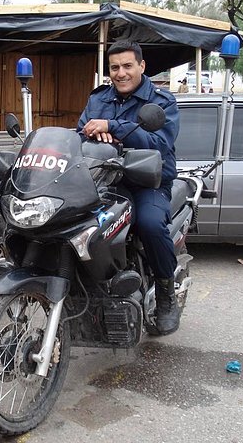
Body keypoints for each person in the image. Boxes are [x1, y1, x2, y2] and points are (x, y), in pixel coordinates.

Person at [76, 40, 180, 335]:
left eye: (127, 66)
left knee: (149, 224)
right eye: (114, 68)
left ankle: (165, 295)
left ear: (142, 66)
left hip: (148, 182)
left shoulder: (161, 102)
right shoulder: (98, 98)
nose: (120, 73)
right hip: (107, 181)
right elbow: (80, 133)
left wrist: (111, 127)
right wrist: (89, 134)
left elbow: (159, 143)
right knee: (81, 225)